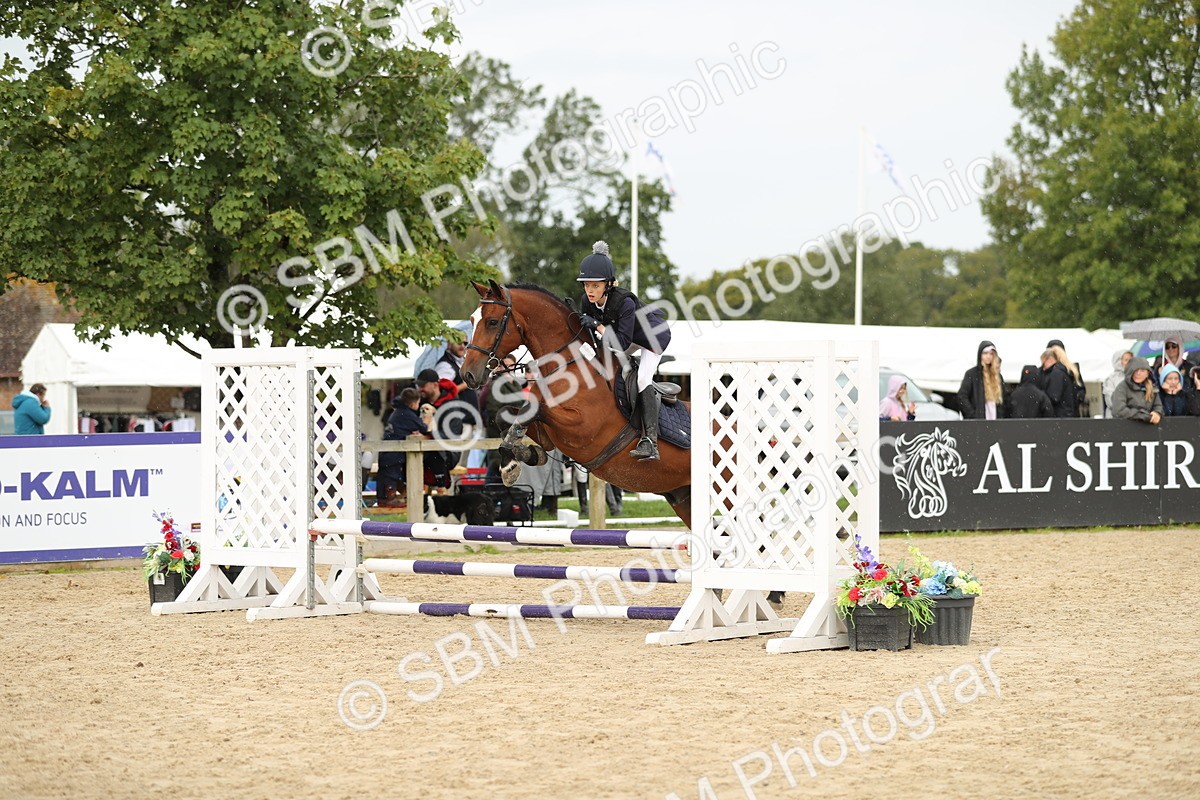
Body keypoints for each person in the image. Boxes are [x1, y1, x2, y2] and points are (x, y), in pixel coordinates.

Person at [576, 240, 672, 461]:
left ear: (608, 285)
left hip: (652, 337)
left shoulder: (624, 302)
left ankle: (651, 442)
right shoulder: (586, 301)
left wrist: (598, 326)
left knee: (642, 380)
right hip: (625, 338)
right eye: (587, 285)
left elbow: (621, 342)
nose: (590, 291)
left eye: (595, 286)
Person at [376, 388, 437, 505]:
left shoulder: (399, 412)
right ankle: (389, 499)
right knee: (391, 475)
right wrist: (428, 420)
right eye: (419, 404)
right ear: (413, 403)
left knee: (387, 474)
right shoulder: (406, 414)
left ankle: (385, 498)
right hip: (394, 451)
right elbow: (423, 428)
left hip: (387, 450)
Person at [957, 341, 1007, 419]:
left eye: (991, 354)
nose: (988, 356)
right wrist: (972, 414)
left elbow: (1004, 399)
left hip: (995, 421)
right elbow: (962, 396)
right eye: (985, 353)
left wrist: (1001, 415)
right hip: (978, 423)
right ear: (980, 354)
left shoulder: (997, 376)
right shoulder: (972, 374)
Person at [1111, 356, 1162, 425]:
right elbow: (1118, 411)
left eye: (1142, 371)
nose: (1138, 373)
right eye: (1135, 370)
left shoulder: (1153, 388)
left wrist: (1157, 413)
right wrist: (1143, 416)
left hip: (1148, 429)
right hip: (1126, 427)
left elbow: (1158, 406)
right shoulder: (1122, 387)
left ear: (1147, 373)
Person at [1047, 339, 1088, 416]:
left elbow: (1081, 390)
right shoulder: (1071, 370)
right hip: (1066, 411)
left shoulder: (1072, 370)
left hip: (1065, 411)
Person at [1038, 346, 1077, 418]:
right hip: (1065, 414)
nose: (1043, 367)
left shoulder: (1056, 373)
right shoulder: (1061, 371)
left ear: (1049, 359)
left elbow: (1054, 396)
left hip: (1060, 415)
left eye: (1043, 363)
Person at [1102, 350, 1133, 418]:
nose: (1129, 363)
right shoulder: (1111, 379)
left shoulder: (1137, 377)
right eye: (1126, 360)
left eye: (1131, 360)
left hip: (1133, 418)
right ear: (1118, 361)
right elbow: (1110, 401)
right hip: (1115, 418)